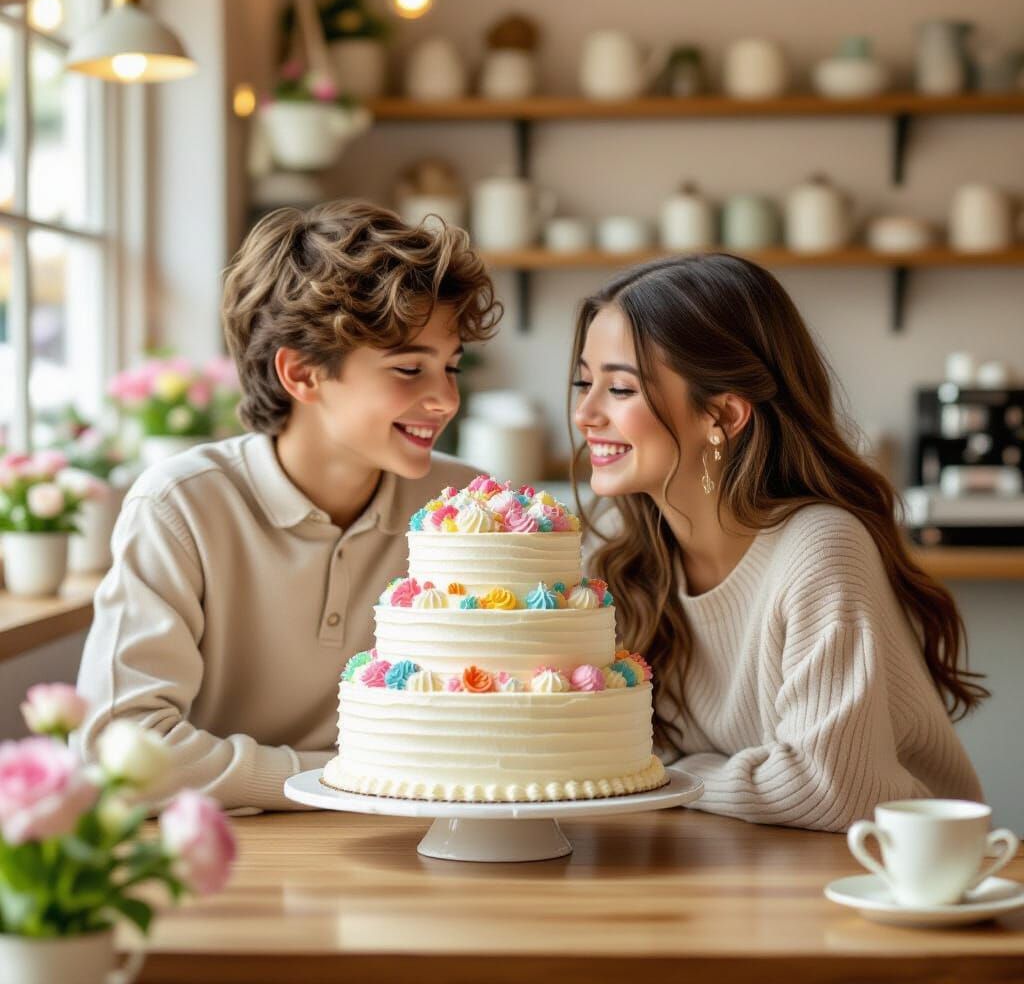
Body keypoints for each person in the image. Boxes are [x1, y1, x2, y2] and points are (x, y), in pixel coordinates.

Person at [76, 200, 501, 813]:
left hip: (420, 840)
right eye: (409, 368)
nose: (445, 400)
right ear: (301, 375)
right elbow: (119, 747)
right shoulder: (182, 506)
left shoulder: (467, 509)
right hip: (223, 856)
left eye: (451, 368)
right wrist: (341, 779)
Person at [571, 253, 985, 832]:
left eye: (618, 388)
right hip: (735, 867)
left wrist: (660, 775)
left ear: (722, 414)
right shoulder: (621, 554)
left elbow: (828, 790)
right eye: (584, 382)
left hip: (892, 885)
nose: (584, 412)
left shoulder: (820, 549)